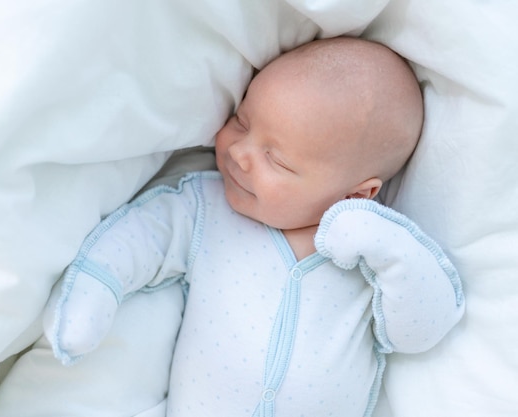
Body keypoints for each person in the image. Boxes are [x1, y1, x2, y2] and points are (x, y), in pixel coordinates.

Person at [43, 37, 465, 417]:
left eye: (277, 160)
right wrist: (92, 294)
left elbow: (420, 332)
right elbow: (142, 238)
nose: (239, 152)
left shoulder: (369, 259)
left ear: (354, 197)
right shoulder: (208, 210)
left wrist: (387, 246)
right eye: (242, 121)